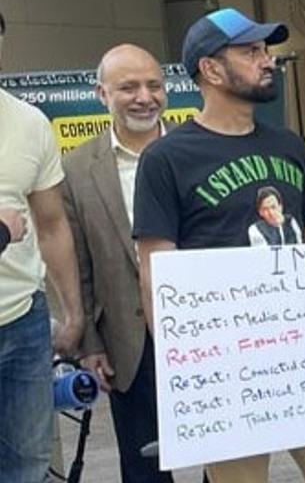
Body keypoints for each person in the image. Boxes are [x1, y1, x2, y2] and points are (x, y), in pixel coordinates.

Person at [132, 8, 305, 483]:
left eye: (265, 50)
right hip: (230, 369)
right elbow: (155, 268)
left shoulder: (286, 144)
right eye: (251, 52)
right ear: (211, 69)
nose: (267, 61)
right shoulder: (166, 159)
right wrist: (185, 370)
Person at [62, 44, 172, 482]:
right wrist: (89, 342)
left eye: (154, 85)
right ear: (101, 93)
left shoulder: (193, 151)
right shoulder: (74, 170)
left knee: (226, 462)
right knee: (144, 468)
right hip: (128, 344)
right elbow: (77, 265)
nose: (144, 97)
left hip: (206, 338)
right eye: (128, 87)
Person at [0, 11, 85, 483]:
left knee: (28, 463)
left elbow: (52, 224)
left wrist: (71, 313)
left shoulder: (30, 122)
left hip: (23, 321)